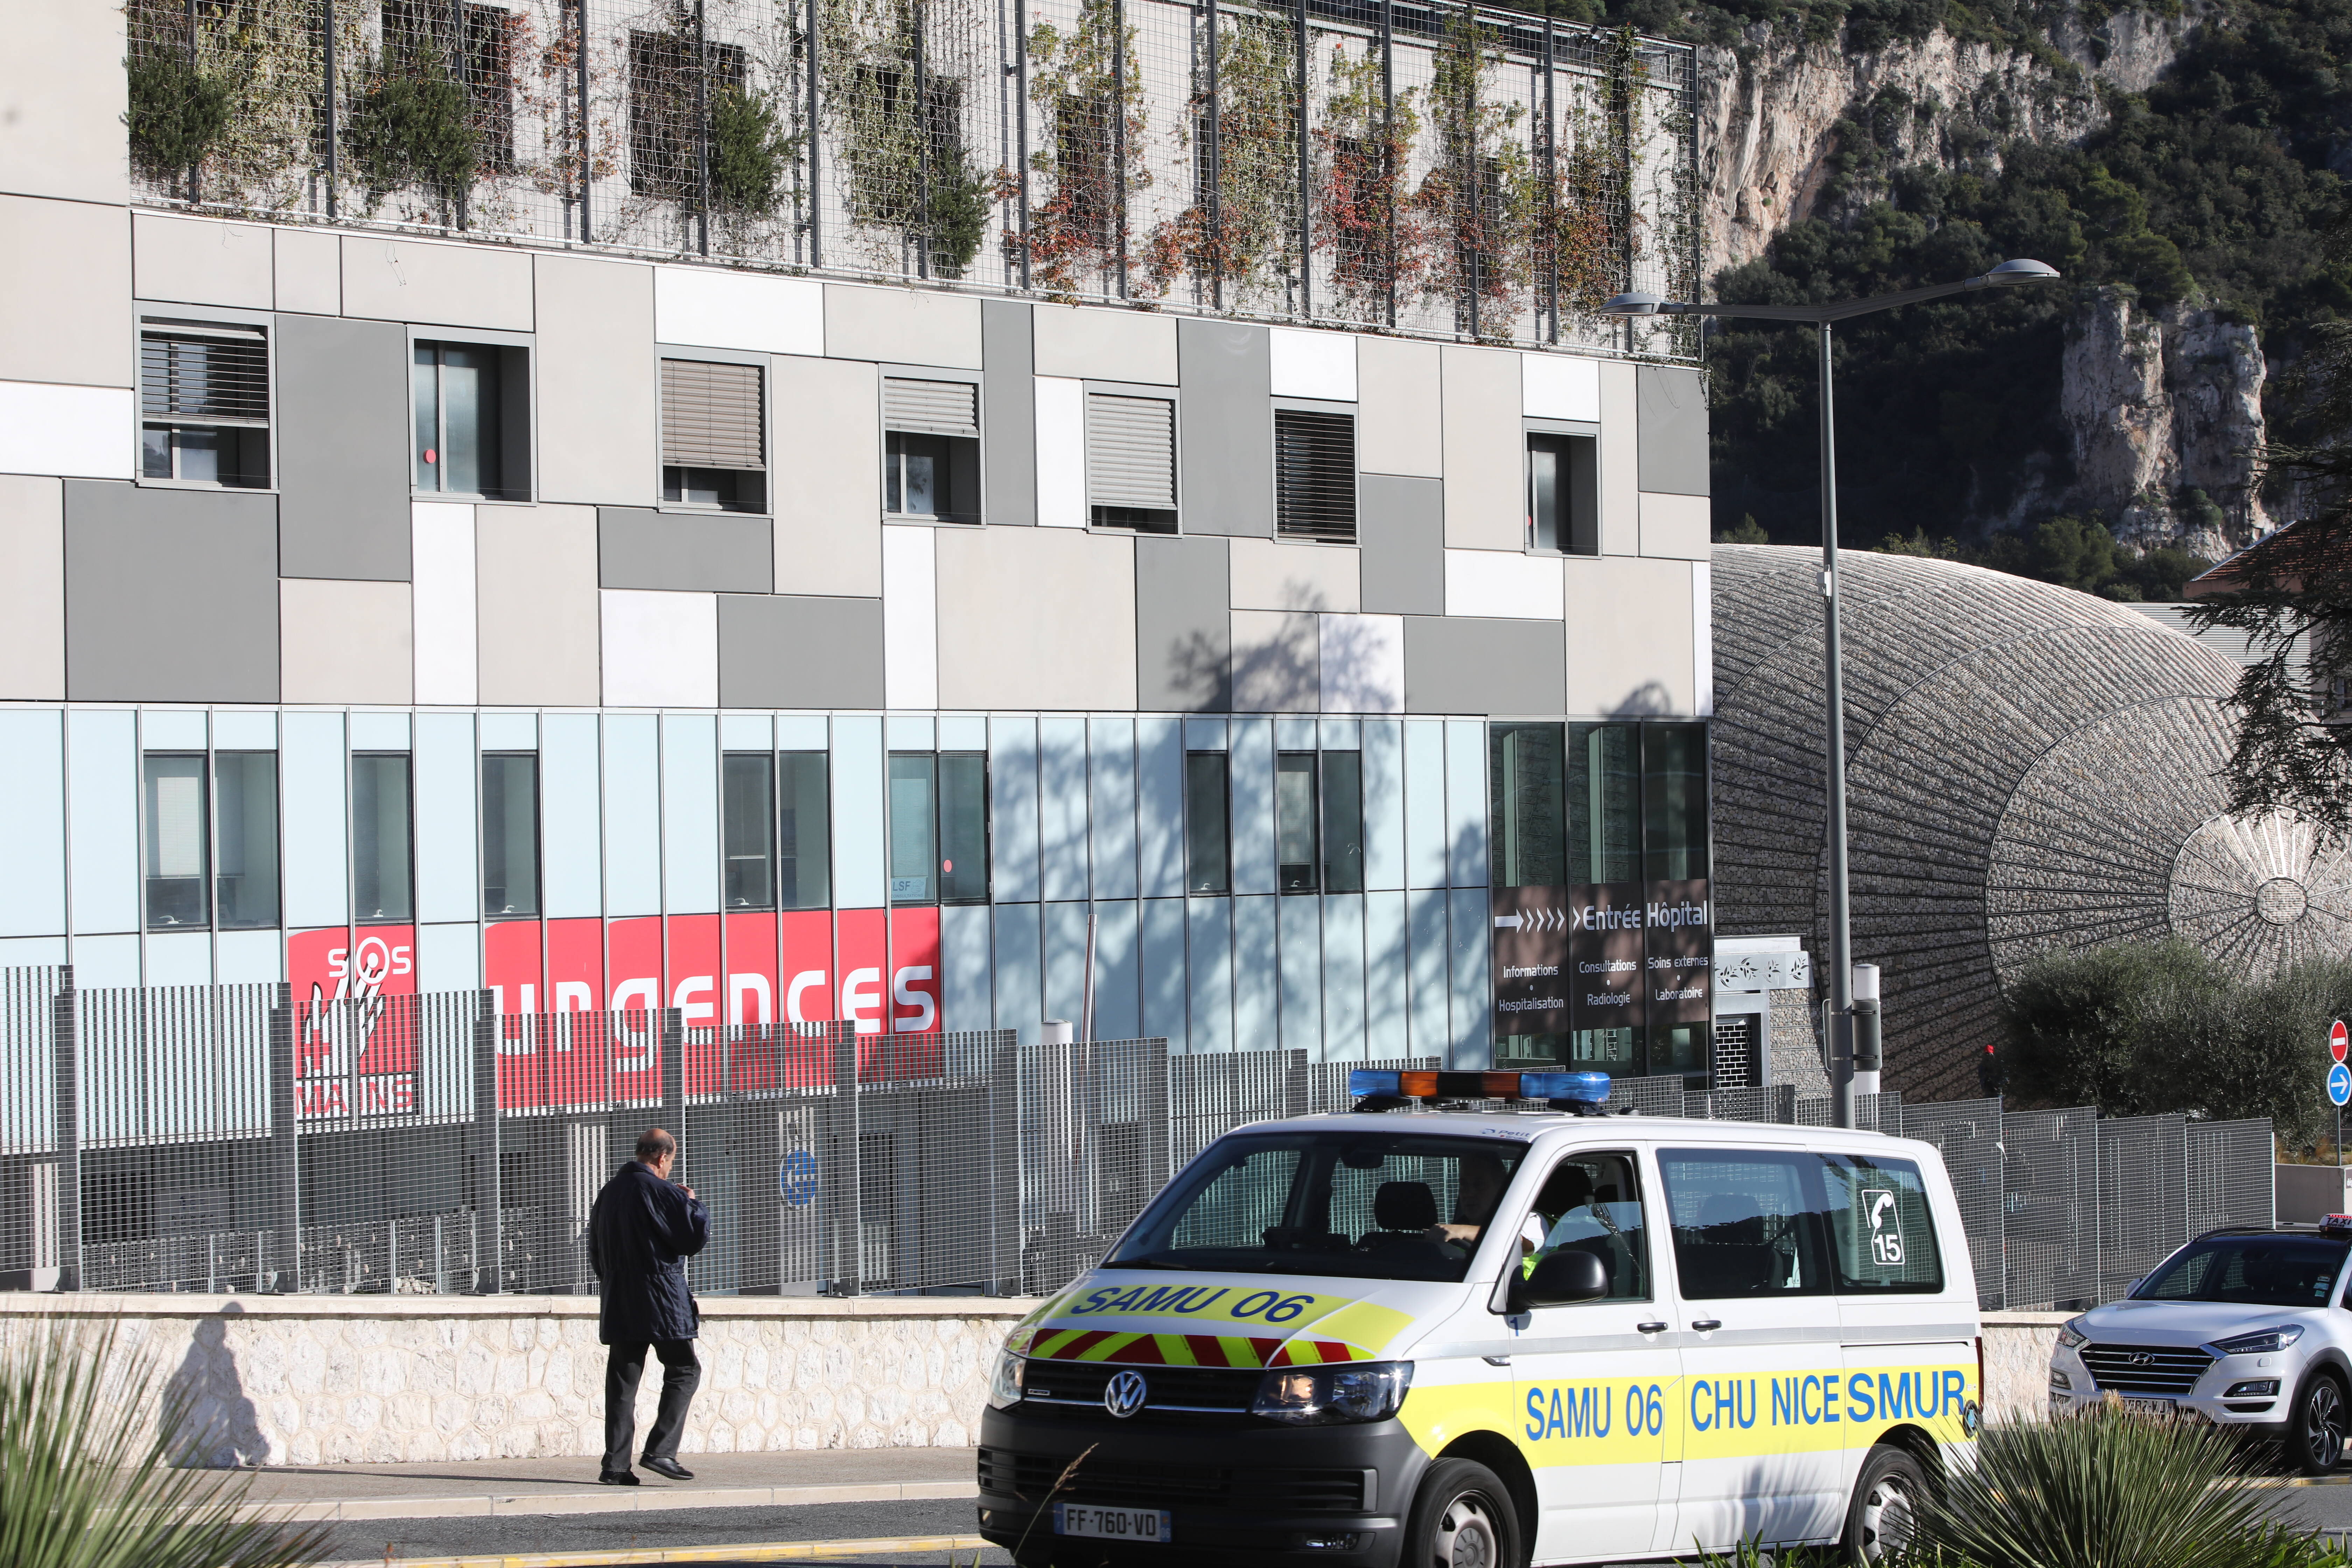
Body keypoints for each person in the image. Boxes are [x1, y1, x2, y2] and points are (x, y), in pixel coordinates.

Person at [589, 1127, 709, 1484]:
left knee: (623, 1383)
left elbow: (595, 1250)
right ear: (661, 1158)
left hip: (620, 1298)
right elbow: (691, 1238)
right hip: (661, 1299)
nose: (670, 1168)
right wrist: (691, 1203)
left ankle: (615, 1466)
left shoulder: (608, 1193)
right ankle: (661, 1451)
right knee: (685, 1369)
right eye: (670, 1161)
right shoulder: (660, 1190)